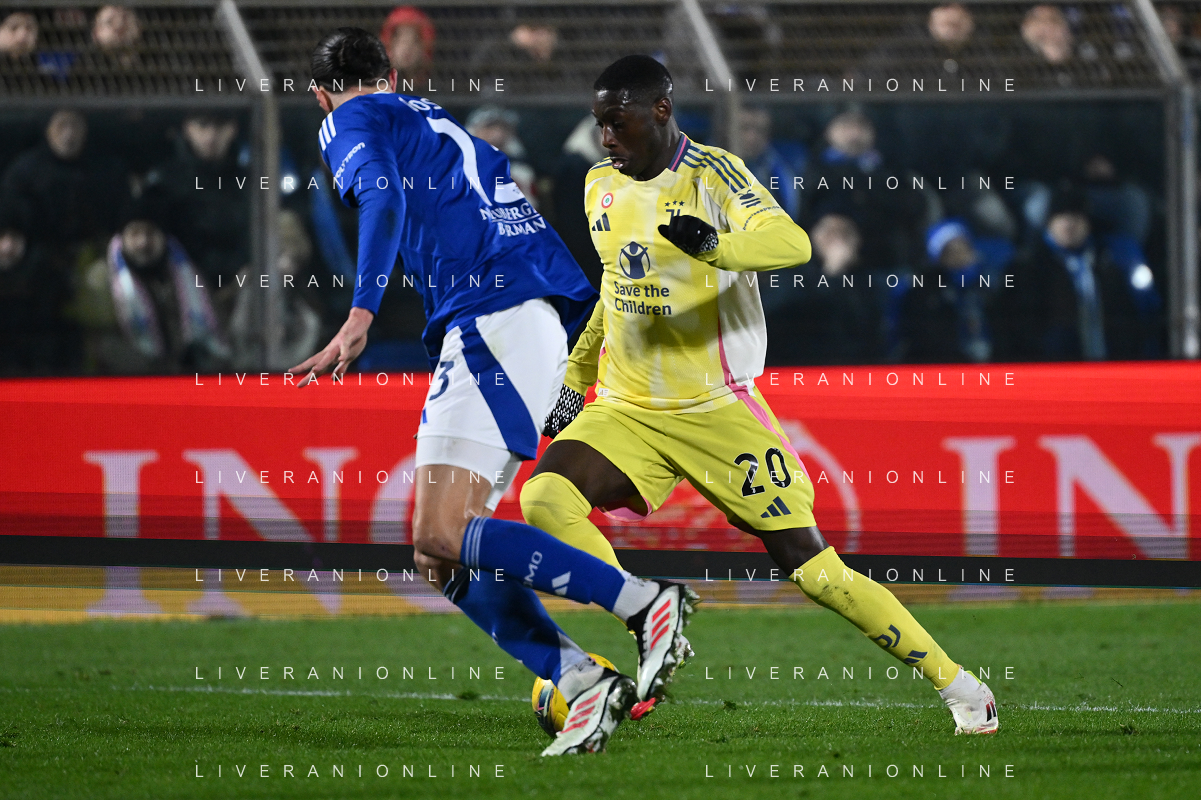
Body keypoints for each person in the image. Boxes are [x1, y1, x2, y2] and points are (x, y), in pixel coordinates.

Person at [529, 55, 998, 736]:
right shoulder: (599, 182)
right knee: (545, 497)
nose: (605, 137)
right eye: (598, 122)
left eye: (616, 122)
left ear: (660, 110)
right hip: (627, 406)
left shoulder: (714, 174)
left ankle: (961, 688)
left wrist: (717, 247)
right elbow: (614, 288)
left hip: (716, 409)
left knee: (815, 573)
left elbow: (792, 242)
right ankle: (646, 613)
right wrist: (577, 376)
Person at [292, 28, 698, 757]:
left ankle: (643, 601)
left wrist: (360, 315)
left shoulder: (350, 117)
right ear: (392, 76)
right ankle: (581, 680)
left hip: (490, 321)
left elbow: (379, 198)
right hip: (523, 318)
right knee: (440, 556)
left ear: (322, 95)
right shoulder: (436, 122)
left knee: (438, 534)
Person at [142, 114, 250, 286]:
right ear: (187, 128)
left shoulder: (252, 181)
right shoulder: (164, 182)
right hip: (180, 286)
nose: (211, 135)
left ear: (233, 129)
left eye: (220, 126)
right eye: (202, 125)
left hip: (246, 285)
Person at [379, 6, 434, 89]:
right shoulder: (377, 89)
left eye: (414, 41)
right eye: (401, 40)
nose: (407, 48)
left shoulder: (438, 88)